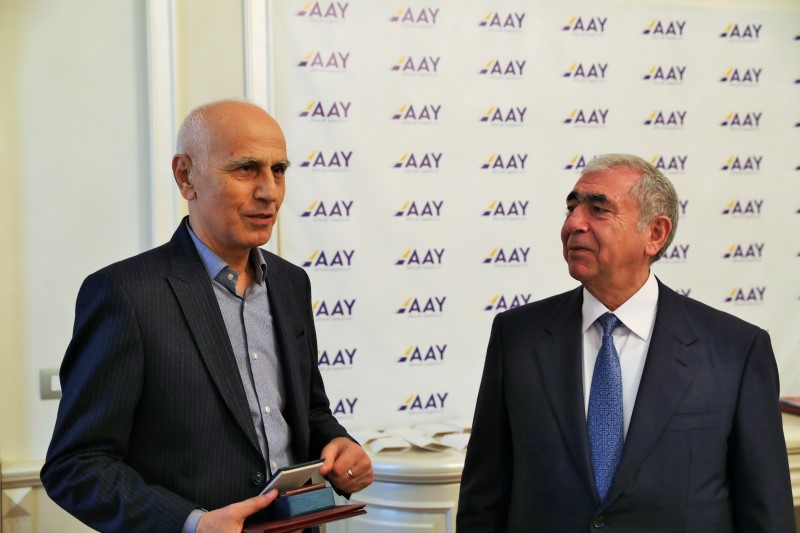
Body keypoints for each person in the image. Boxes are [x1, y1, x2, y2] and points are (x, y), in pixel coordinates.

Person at [41, 100, 373, 533]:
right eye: (246, 169)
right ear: (186, 177)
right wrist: (193, 524)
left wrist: (338, 442)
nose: (270, 192)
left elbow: (308, 411)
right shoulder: (126, 294)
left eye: (278, 170)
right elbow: (76, 465)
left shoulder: (292, 284)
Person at [457, 154, 795, 531]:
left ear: (655, 234)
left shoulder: (736, 349)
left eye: (598, 209)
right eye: (571, 207)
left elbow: (767, 510)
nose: (573, 223)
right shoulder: (516, 336)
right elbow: (483, 499)